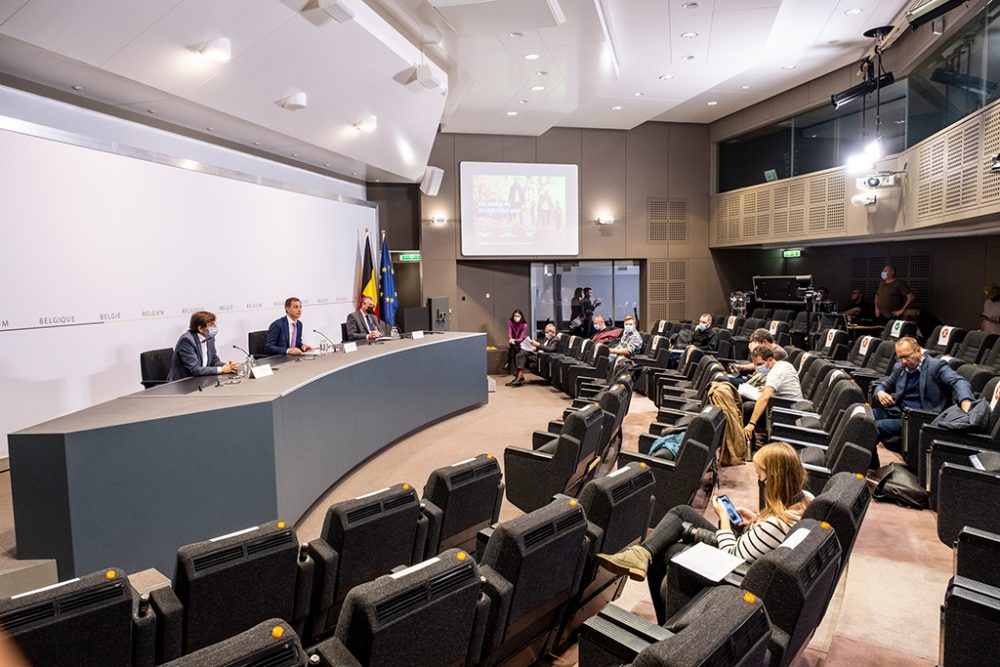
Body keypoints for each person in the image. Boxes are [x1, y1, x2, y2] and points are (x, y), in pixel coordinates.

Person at [595, 443, 811, 624]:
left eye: (760, 476)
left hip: (735, 570)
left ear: (773, 479)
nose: (759, 481)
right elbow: (762, 540)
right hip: (746, 548)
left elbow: (732, 554)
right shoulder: (804, 501)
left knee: (669, 552)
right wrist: (755, 520)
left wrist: (725, 518)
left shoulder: (775, 524)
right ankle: (642, 554)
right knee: (682, 512)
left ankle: (665, 622)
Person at [872, 336, 973, 443]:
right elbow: (883, 386)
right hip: (899, 412)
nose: (904, 361)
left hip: (920, 418)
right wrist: (880, 392)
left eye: (907, 356)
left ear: (918, 351)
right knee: (864, 417)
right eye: (900, 357)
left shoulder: (935, 366)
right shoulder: (899, 367)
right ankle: (872, 460)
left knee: (875, 427)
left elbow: (959, 382)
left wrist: (965, 401)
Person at [743, 346, 802, 443]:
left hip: (788, 412)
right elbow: (783, 388)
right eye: (755, 364)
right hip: (788, 405)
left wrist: (751, 423)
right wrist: (767, 389)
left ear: (770, 360)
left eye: (760, 364)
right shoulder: (784, 364)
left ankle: (752, 446)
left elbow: (765, 398)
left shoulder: (775, 372)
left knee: (748, 408)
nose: (757, 368)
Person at [166, 310, 239, 381]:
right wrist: (222, 369)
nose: (215, 326)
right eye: (211, 324)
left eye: (215, 323)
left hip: (199, 380)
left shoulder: (210, 338)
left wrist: (228, 366)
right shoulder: (187, 340)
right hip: (182, 383)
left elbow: (214, 361)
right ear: (200, 328)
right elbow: (195, 369)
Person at [506, 309, 528, 374]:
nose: (516, 317)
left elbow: (521, 338)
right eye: (515, 315)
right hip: (512, 340)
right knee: (512, 351)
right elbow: (509, 332)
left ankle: (513, 368)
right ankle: (512, 369)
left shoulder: (524, 324)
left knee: (515, 352)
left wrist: (514, 340)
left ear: (521, 316)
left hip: (520, 341)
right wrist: (510, 338)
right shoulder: (510, 322)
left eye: (518, 316)